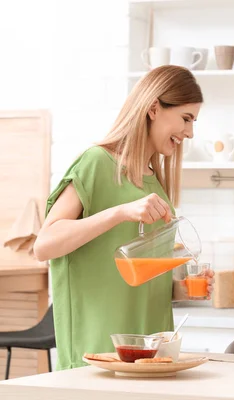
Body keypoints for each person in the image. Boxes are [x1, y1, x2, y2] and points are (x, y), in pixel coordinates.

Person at [33, 65, 211, 370]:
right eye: (186, 119)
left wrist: (180, 289)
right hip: (99, 350)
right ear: (154, 108)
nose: (190, 132)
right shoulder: (96, 163)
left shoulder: (157, 183)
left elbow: (138, 274)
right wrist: (121, 212)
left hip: (152, 349)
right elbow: (44, 245)